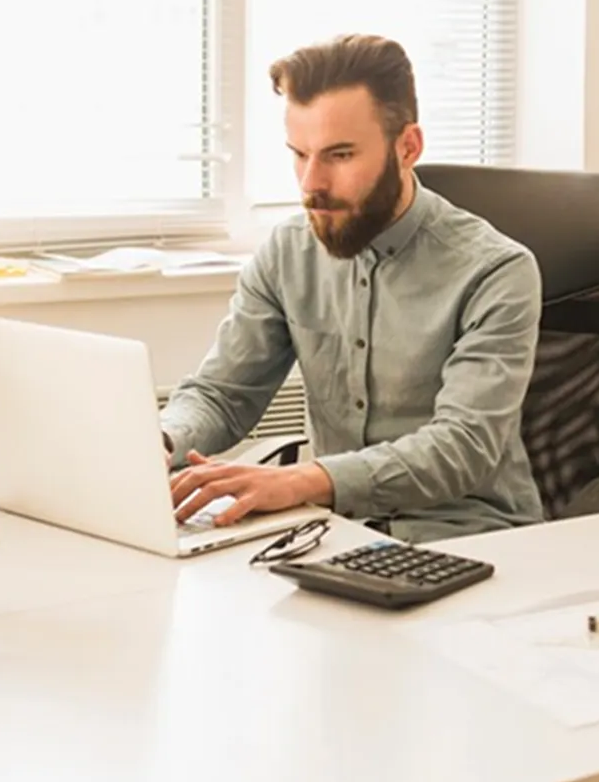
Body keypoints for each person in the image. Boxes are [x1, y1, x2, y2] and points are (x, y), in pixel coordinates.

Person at [161, 33, 545, 543]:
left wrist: (302, 481)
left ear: (407, 147)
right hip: (335, 534)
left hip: (470, 537)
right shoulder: (287, 253)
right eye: (299, 154)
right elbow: (222, 394)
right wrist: (159, 442)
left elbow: (463, 447)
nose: (310, 184)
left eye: (339, 155)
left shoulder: (496, 272)